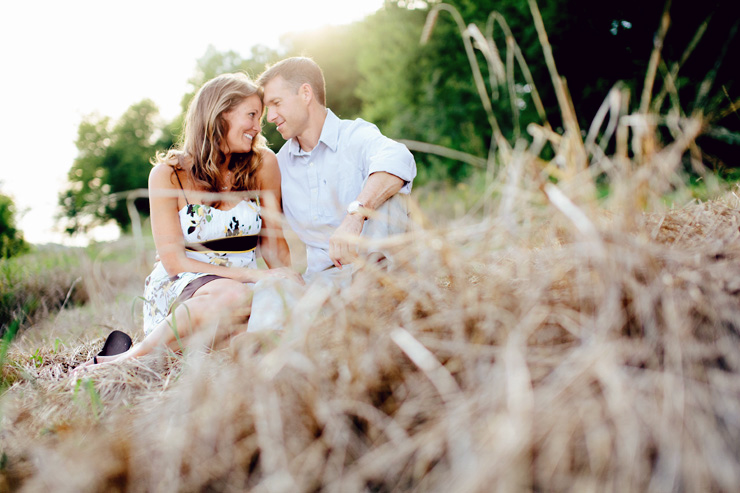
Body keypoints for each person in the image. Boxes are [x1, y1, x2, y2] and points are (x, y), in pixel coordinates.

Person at [76, 73, 302, 370]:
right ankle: (122, 363)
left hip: (243, 291)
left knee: (267, 318)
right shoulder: (168, 174)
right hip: (187, 284)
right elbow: (174, 262)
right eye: (251, 115)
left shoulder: (263, 164)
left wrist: (292, 282)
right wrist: (253, 278)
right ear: (219, 114)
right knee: (232, 295)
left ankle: (129, 355)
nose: (258, 127)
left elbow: (274, 245)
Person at [256, 56, 417, 276]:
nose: (271, 117)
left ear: (305, 93)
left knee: (391, 194)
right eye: (267, 108)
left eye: (276, 103)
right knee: (269, 290)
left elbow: (399, 157)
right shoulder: (279, 164)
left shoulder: (354, 136)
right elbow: (265, 227)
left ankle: (375, 293)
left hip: (379, 276)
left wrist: (356, 214)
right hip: (322, 284)